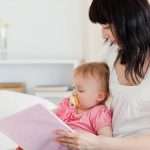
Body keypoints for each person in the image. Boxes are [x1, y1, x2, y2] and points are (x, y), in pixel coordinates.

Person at [55, 0, 150, 150]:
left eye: (107, 26)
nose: (103, 34)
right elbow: (87, 95)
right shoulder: (110, 52)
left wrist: (98, 143)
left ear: (130, 22)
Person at [16, 62, 112, 150]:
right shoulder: (68, 104)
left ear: (99, 96)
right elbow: (51, 115)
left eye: (80, 90)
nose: (74, 92)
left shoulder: (99, 113)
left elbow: (105, 140)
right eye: (74, 88)